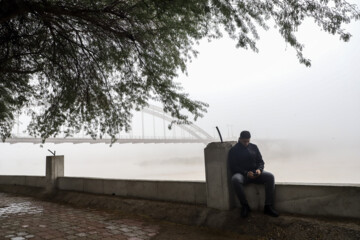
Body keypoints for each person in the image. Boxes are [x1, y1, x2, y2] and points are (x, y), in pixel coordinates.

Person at [228, 130, 279, 218]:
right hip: (243, 175)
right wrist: (246, 173)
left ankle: (268, 206)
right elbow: (233, 167)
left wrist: (259, 170)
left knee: (270, 177)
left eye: (248, 141)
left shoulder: (254, 147)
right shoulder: (233, 150)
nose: (246, 143)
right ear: (239, 139)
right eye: (244, 141)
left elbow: (261, 162)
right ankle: (245, 206)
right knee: (235, 179)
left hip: (256, 174)